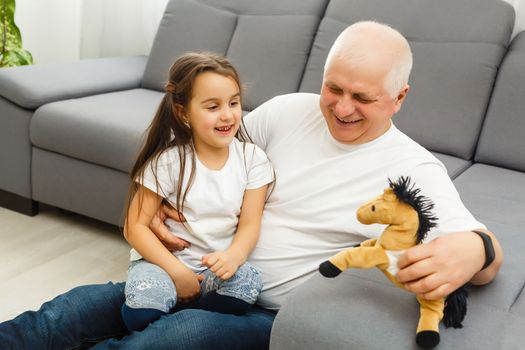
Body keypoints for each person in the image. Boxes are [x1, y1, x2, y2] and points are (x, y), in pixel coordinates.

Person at [0, 21, 502, 350]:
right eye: (334, 88)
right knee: (62, 315)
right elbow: (205, 157)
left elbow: (486, 253)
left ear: (399, 98)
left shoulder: (413, 169)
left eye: (363, 98)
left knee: (163, 341)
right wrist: (156, 208)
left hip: (257, 310)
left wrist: (476, 251)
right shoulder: (287, 111)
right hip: (194, 269)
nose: (342, 108)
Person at [119, 52, 274, 332]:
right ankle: (166, 306)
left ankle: (181, 316)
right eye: (213, 106)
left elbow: (251, 223)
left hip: (212, 271)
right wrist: (178, 273)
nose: (227, 114)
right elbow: (135, 226)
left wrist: (234, 256)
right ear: (183, 112)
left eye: (234, 103)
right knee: (142, 309)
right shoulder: (168, 162)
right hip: (163, 264)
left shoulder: (253, 159)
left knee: (247, 281)